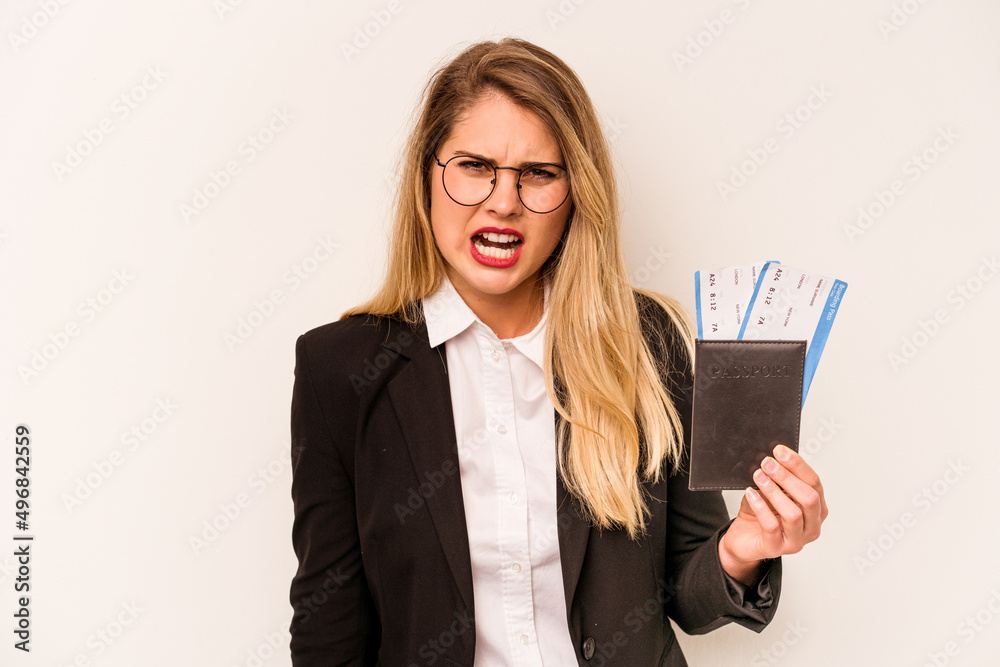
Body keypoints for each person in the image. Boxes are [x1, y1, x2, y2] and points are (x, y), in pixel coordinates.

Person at [288, 37, 828, 666]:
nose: (504, 201)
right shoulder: (341, 370)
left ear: (576, 195)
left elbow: (690, 594)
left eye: (539, 173)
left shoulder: (650, 343)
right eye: (474, 166)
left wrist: (744, 546)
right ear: (426, 178)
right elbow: (330, 629)